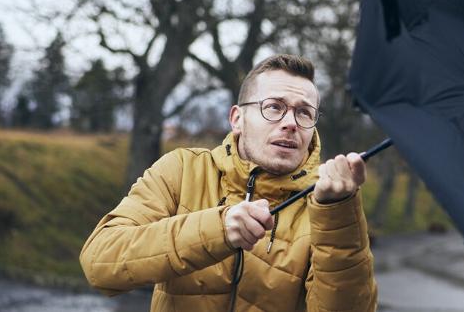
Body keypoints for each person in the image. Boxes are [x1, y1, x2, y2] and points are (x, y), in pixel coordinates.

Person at [80, 54, 377, 312]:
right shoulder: (183, 169)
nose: (290, 122)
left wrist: (337, 215)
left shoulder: (326, 206)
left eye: (304, 113)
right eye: (274, 107)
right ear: (237, 118)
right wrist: (217, 229)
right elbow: (101, 263)